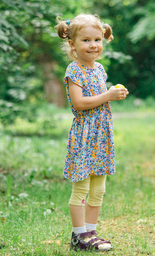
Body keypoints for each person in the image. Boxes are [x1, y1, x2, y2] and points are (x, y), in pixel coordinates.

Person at [55, 14, 129, 252]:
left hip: (101, 135)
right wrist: (107, 96)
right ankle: (78, 236)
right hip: (84, 136)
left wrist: (113, 94)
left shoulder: (99, 69)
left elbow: (100, 98)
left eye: (97, 39)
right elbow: (79, 103)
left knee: (99, 188)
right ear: (72, 44)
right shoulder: (73, 70)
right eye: (86, 40)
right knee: (82, 188)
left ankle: (91, 232)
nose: (93, 45)